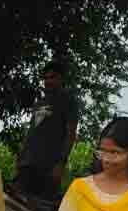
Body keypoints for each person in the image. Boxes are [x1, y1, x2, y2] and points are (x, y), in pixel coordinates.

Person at [15, 61, 81, 200]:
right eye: (45, 78)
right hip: (27, 164)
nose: (48, 81)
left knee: (41, 210)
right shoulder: (39, 103)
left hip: (48, 167)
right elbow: (32, 131)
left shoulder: (68, 101)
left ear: (61, 79)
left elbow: (71, 134)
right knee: (18, 206)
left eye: (52, 77)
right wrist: (21, 156)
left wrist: (60, 164)